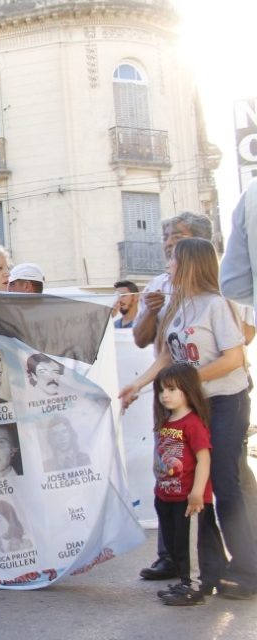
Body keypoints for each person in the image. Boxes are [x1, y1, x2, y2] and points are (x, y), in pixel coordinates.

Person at [119, 238, 257, 599]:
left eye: (173, 260)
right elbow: (167, 356)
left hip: (226, 402)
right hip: (195, 405)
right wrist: (137, 384)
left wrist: (187, 380)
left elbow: (233, 359)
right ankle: (210, 570)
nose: (168, 266)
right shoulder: (178, 306)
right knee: (197, 489)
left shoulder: (218, 304)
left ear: (191, 264)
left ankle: (247, 569)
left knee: (226, 484)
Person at [150, 363, 225, 605]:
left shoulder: (193, 423)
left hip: (188, 499)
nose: (165, 395)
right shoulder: (167, 421)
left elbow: (204, 459)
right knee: (174, 543)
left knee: (189, 546)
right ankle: (183, 581)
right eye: (162, 390)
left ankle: (193, 586)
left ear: (188, 390)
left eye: (172, 389)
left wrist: (196, 493)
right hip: (166, 496)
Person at [133, 212, 212, 350]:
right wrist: (151, 312)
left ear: (200, 241)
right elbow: (141, 341)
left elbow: (245, 336)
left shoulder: (222, 285)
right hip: (173, 370)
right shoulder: (156, 285)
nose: (168, 243)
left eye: (177, 237)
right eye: (165, 238)